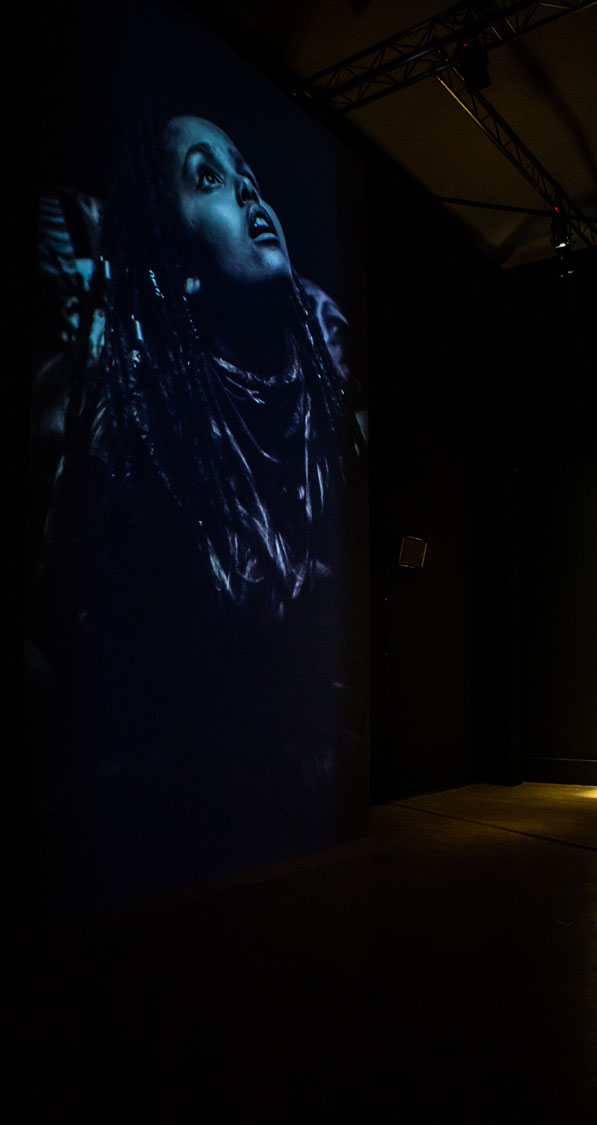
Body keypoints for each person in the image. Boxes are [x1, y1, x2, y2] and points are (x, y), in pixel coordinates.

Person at [28, 111, 368, 902]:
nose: (250, 193)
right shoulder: (126, 411)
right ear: (172, 253)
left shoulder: (329, 374)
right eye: (207, 179)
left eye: (249, 175)